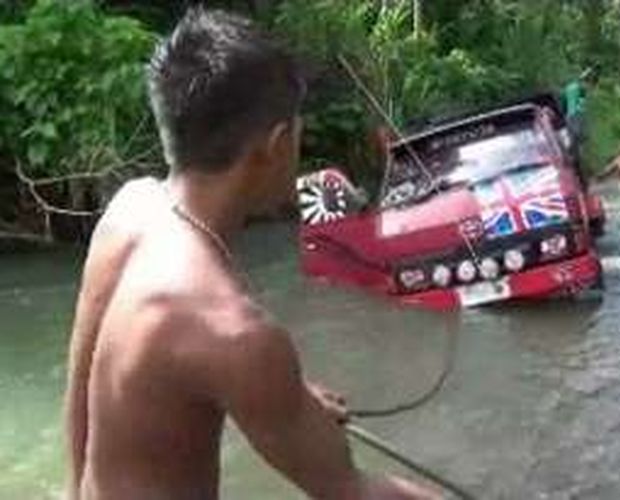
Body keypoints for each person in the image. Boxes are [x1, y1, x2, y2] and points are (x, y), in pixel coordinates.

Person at [63, 8, 436, 500]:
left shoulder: (129, 209)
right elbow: (348, 490)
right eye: (299, 133)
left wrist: (285, 398)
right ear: (276, 145)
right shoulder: (237, 333)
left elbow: (84, 394)